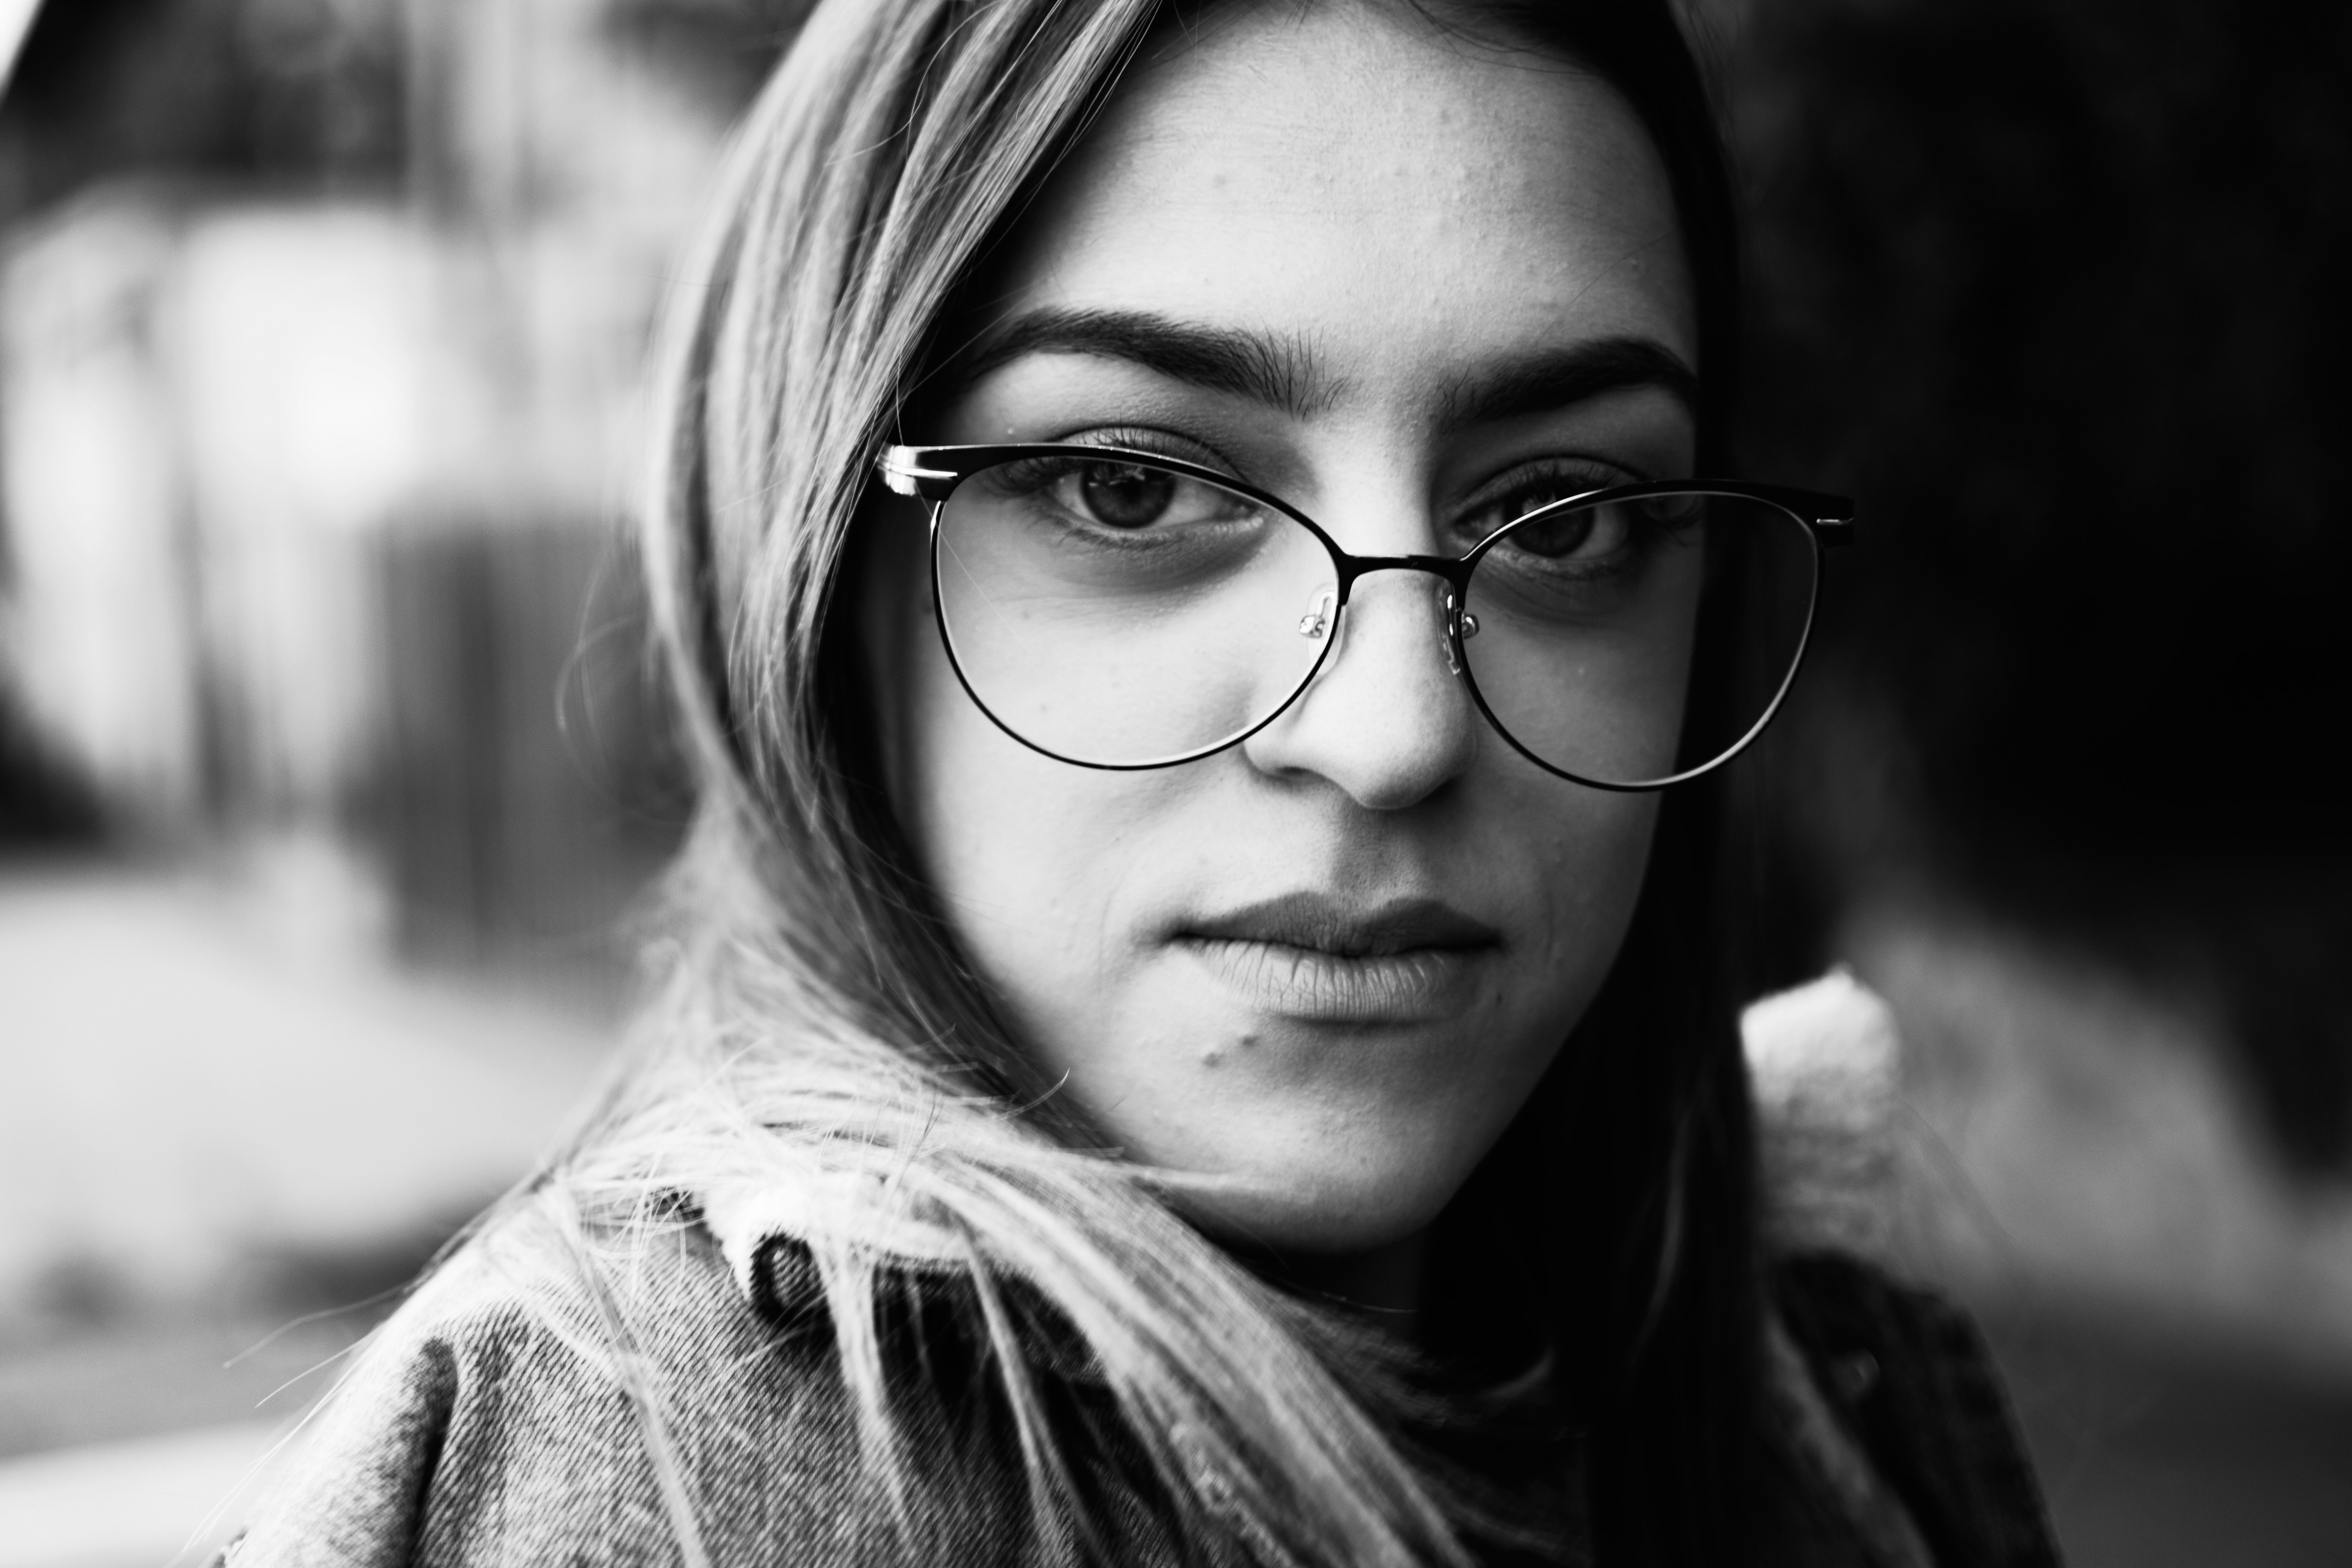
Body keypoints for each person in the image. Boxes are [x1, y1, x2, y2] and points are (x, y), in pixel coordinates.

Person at [224, 1, 2061, 1564]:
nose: (1394, 731)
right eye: (1135, 487)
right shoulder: (678, 1457)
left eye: (1567, 512)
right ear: (817, 570)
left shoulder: (1814, 1388)